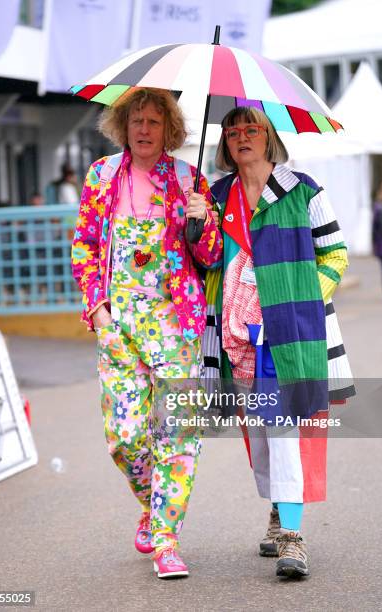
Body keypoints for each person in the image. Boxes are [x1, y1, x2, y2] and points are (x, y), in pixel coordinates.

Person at [71, 88, 222, 579]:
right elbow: (85, 247)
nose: (143, 129)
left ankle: (166, 538)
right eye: (136, 119)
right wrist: (99, 313)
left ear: (169, 130)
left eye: (154, 121)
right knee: (125, 435)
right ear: (122, 124)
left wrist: (204, 224)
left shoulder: (189, 180)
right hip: (119, 327)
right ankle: (154, 500)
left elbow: (210, 258)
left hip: (175, 325)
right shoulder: (101, 176)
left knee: (177, 432)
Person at [204, 106, 354, 579]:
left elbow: (335, 255)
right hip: (236, 337)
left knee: (287, 428)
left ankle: (292, 534)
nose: (241, 137)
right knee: (262, 436)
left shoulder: (302, 189)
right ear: (225, 143)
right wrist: (197, 224)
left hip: (291, 334)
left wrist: (302, 306)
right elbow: (204, 260)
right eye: (233, 132)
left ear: (270, 138)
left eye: (252, 130)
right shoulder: (216, 194)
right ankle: (278, 509)